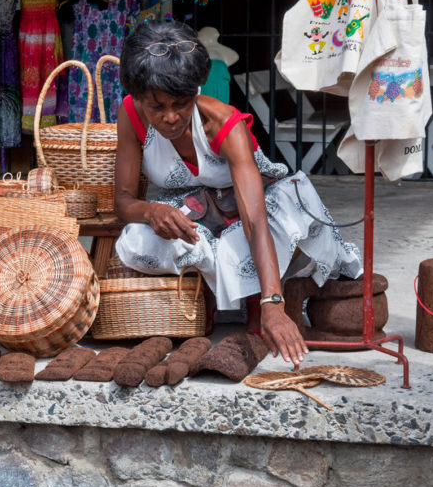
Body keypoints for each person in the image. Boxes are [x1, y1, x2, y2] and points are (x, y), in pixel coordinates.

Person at [113, 20, 362, 366]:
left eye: (181, 103)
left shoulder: (224, 124)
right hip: (197, 217)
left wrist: (274, 304)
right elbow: (123, 201)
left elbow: (256, 221)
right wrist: (152, 212)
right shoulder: (130, 113)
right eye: (157, 107)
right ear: (138, 98)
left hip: (250, 213)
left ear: (196, 90)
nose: (170, 117)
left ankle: (256, 294)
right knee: (135, 241)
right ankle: (213, 293)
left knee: (286, 215)